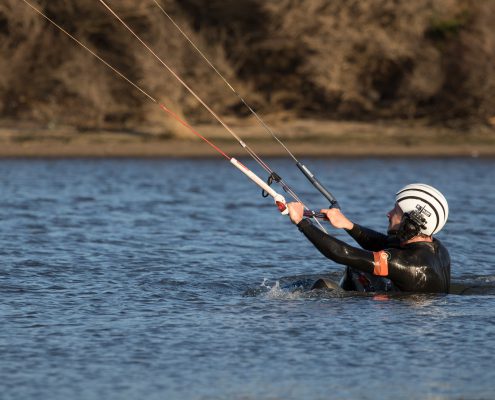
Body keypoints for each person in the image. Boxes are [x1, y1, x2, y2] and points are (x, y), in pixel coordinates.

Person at [287, 183, 451, 293]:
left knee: (322, 285)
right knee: (357, 268)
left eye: (396, 212)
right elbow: (384, 243)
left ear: (410, 224)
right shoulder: (437, 248)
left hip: (397, 319)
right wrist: (347, 224)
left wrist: (302, 223)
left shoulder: (406, 262)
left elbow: (343, 254)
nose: (389, 214)